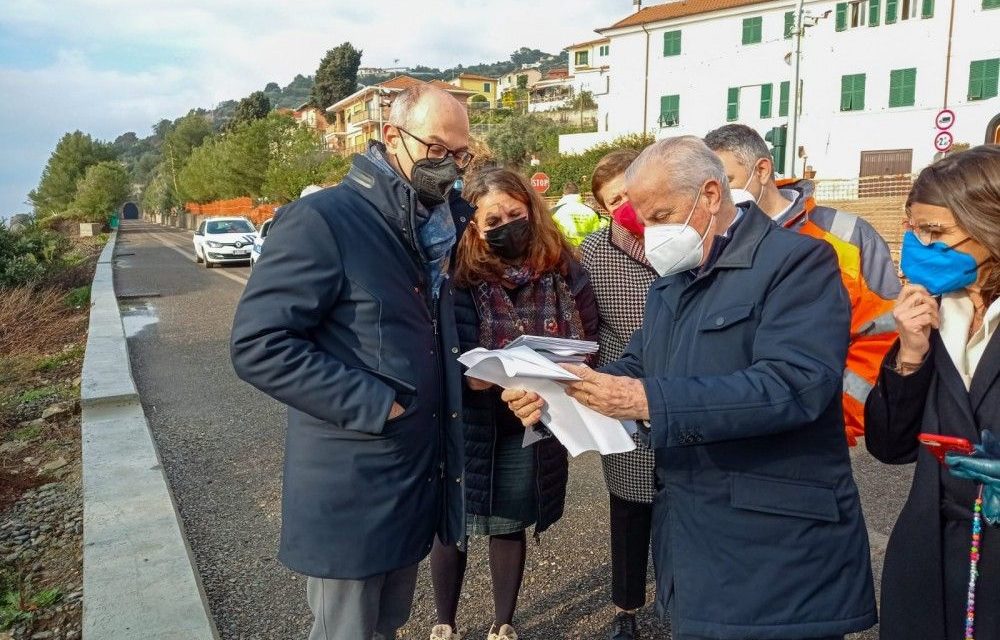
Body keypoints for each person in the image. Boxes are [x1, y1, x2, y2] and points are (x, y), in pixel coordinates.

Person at [504, 136, 877, 640]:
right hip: (692, 538)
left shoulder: (797, 262)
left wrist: (648, 401)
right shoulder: (672, 280)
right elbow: (638, 363)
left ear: (710, 195)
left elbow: (795, 385)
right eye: (644, 221)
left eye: (662, 215)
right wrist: (558, 389)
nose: (652, 234)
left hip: (777, 547)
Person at [230, 85, 472, 640]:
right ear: (391, 136)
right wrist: (376, 404)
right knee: (345, 631)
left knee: (386, 625)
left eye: (460, 155)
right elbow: (258, 344)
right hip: (353, 485)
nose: (449, 166)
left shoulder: (433, 227)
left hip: (411, 475)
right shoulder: (324, 220)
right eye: (437, 148)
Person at [429, 167, 599, 640]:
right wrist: (477, 379)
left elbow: (588, 340)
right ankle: (444, 621)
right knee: (454, 519)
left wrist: (555, 379)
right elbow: (441, 347)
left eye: (514, 214)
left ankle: (503, 622)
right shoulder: (456, 273)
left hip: (535, 417)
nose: (506, 225)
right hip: (470, 417)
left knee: (509, 520)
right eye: (493, 220)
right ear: (473, 226)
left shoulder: (565, 267)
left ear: (532, 210)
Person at [865, 145, 1000, 640]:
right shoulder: (934, 311)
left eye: (936, 232)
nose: (920, 245)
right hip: (929, 553)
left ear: (990, 227)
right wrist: (910, 353)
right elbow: (890, 447)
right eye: (915, 229)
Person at [705, 124, 900, 446]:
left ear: (762, 170)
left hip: (815, 433)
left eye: (728, 182)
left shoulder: (846, 236)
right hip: (731, 425)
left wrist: (833, 418)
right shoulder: (712, 241)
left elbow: (881, 334)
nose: (719, 198)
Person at [579, 149, 658, 640]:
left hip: (681, 390)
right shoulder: (593, 251)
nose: (626, 206)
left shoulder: (681, 236)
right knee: (629, 506)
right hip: (621, 392)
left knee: (684, 507)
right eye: (615, 201)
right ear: (602, 208)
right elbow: (582, 320)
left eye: (631, 193)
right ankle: (626, 609)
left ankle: (680, 600)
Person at [552, 181, 603, 247]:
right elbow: (597, 237)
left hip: (563, 251)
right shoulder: (591, 212)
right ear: (579, 194)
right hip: (586, 250)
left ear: (563, 195)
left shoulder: (554, 212)